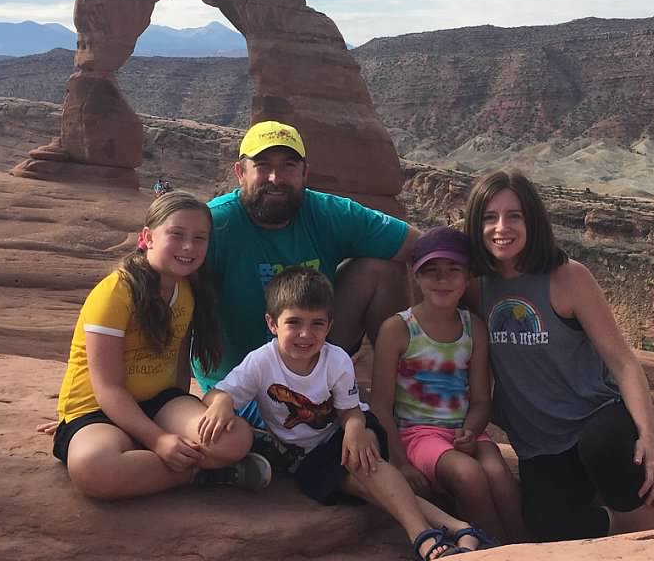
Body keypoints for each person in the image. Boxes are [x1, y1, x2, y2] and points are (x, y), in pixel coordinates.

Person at [198, 267, 490, 561]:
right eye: (294, 323)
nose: (305, 334)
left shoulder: (335, 359)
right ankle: (458, 527)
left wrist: (355, 430)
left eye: (317, 324)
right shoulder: (261, 362)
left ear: (329, 325)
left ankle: (422, 538)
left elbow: (351, 412)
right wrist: (222, 401)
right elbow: (218, 393)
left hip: (347, 430)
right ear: (272, 324)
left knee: (364, 465)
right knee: (368, 487)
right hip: (306, 456)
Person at [463, 170, 654, 541]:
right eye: (489, 217)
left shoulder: (567, 277)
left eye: (514, 216)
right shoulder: (474, 288)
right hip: (541, 443)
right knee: (546, 523)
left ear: (533, 220)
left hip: (599, 418)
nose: (501, 228)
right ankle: (622, 526)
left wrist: (648, 440)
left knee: (607, 448)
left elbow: (623, 362)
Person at [193, 120, 419, 427]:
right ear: (240, 173)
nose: (276, 178)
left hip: (313, 352)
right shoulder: (216, 223)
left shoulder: (328, 212)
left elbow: (422, 246)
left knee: (383, 268)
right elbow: (160, 282)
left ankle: (395, 405)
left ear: (305, 173)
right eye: (262, 165)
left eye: (288, 165)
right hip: (237, 379)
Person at [46, 191, 269, 499]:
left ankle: (162, 465)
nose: (189, 247)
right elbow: (108, 388)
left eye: (200, 238)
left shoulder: (186, 292)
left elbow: (177, 365)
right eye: (176, 234)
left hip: (158, 403)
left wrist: (178, 420)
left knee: (234, 438)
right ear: (148, 237)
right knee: (93, 468)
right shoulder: (115, 293)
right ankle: (208, 472)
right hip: (99, 409)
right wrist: (159, 440)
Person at [372, 227, 523, 545]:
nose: (442, 280)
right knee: (469, 475)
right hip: (417, 434)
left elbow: (482, 399)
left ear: (468, 276)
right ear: (416, 275)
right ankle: (490, 548)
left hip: (465, 431)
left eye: (453, 270)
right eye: (431, 271)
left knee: (499, 476)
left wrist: (470, 430)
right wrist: (400, 462)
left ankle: (523, 544)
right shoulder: (398, 330)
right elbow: (381, 406)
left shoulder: (474, 329)